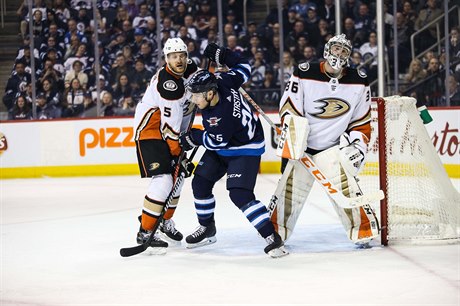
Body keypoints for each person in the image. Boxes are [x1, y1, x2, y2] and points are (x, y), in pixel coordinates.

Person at [178, 43, 288, 258]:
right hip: (227, 143)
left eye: (196, 95)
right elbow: (244, 67)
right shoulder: (222, 80)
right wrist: (222, 54)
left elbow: (214, 142)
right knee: (200, 183)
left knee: (239, 194)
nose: (193, 100)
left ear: (210, 94)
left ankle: (271, 237)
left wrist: (193, 137)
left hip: (244, 149)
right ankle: (208, 229)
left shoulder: (221, 116)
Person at [270, 34, 380, 248]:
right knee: (289, 189)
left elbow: (362, 119)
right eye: (336, 48)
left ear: (348, 56)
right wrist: (294, 137)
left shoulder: (359, 80)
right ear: (327, 50)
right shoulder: (304, 72)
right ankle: (275, 232)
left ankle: (363, 230)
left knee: (345, 189)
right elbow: (289, 106)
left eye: (344, 51)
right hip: (302, 146)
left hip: (332, 147)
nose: (338, 54)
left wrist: (358, 145)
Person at [131, 38, 198, 252]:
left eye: (182, 55)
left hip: (172, 132)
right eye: (173, 56)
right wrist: (178, 151)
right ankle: (145, 231)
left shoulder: (191, 70)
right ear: (166, 59)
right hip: (151, 132)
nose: (179, 60)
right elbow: (170, 129)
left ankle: (165, 222)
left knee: (178, 178)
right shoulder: (169, 85)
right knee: (164, 180)